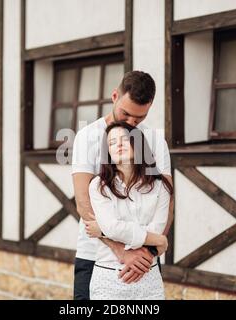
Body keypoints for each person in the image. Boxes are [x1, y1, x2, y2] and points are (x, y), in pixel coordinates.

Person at [71, 71, 173, 300]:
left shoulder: (155, 141)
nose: (130, 124)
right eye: (125, 114)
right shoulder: (88, 136)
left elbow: (166, 201)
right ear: (114, 96)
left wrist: (146, 253)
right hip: (95, 257)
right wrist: (121, 251)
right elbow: (83, 204)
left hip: (145, 261)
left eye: (139, 119)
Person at [85, 121, 173, 299]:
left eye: (124, 139)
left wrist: (103, 230)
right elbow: (113, 227)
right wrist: (159, 240)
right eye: (111, 143)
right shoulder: (98, 186)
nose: (117, 145)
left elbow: (156, 227)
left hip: (149, 275)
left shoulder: (160, 186)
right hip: (110, 277)